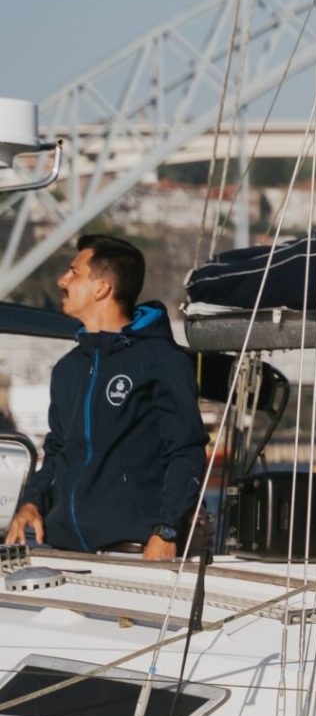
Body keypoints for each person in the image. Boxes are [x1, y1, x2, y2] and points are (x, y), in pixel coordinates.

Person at [7, 234, 206, 558]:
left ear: (102, 288)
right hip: (65, 551)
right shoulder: (68, 368)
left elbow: (186, 450)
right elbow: (57, 450)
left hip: (133, 554)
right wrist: (31, 501)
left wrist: (167, 530)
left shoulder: (161, 360)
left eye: (73, 272)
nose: (62, 280)